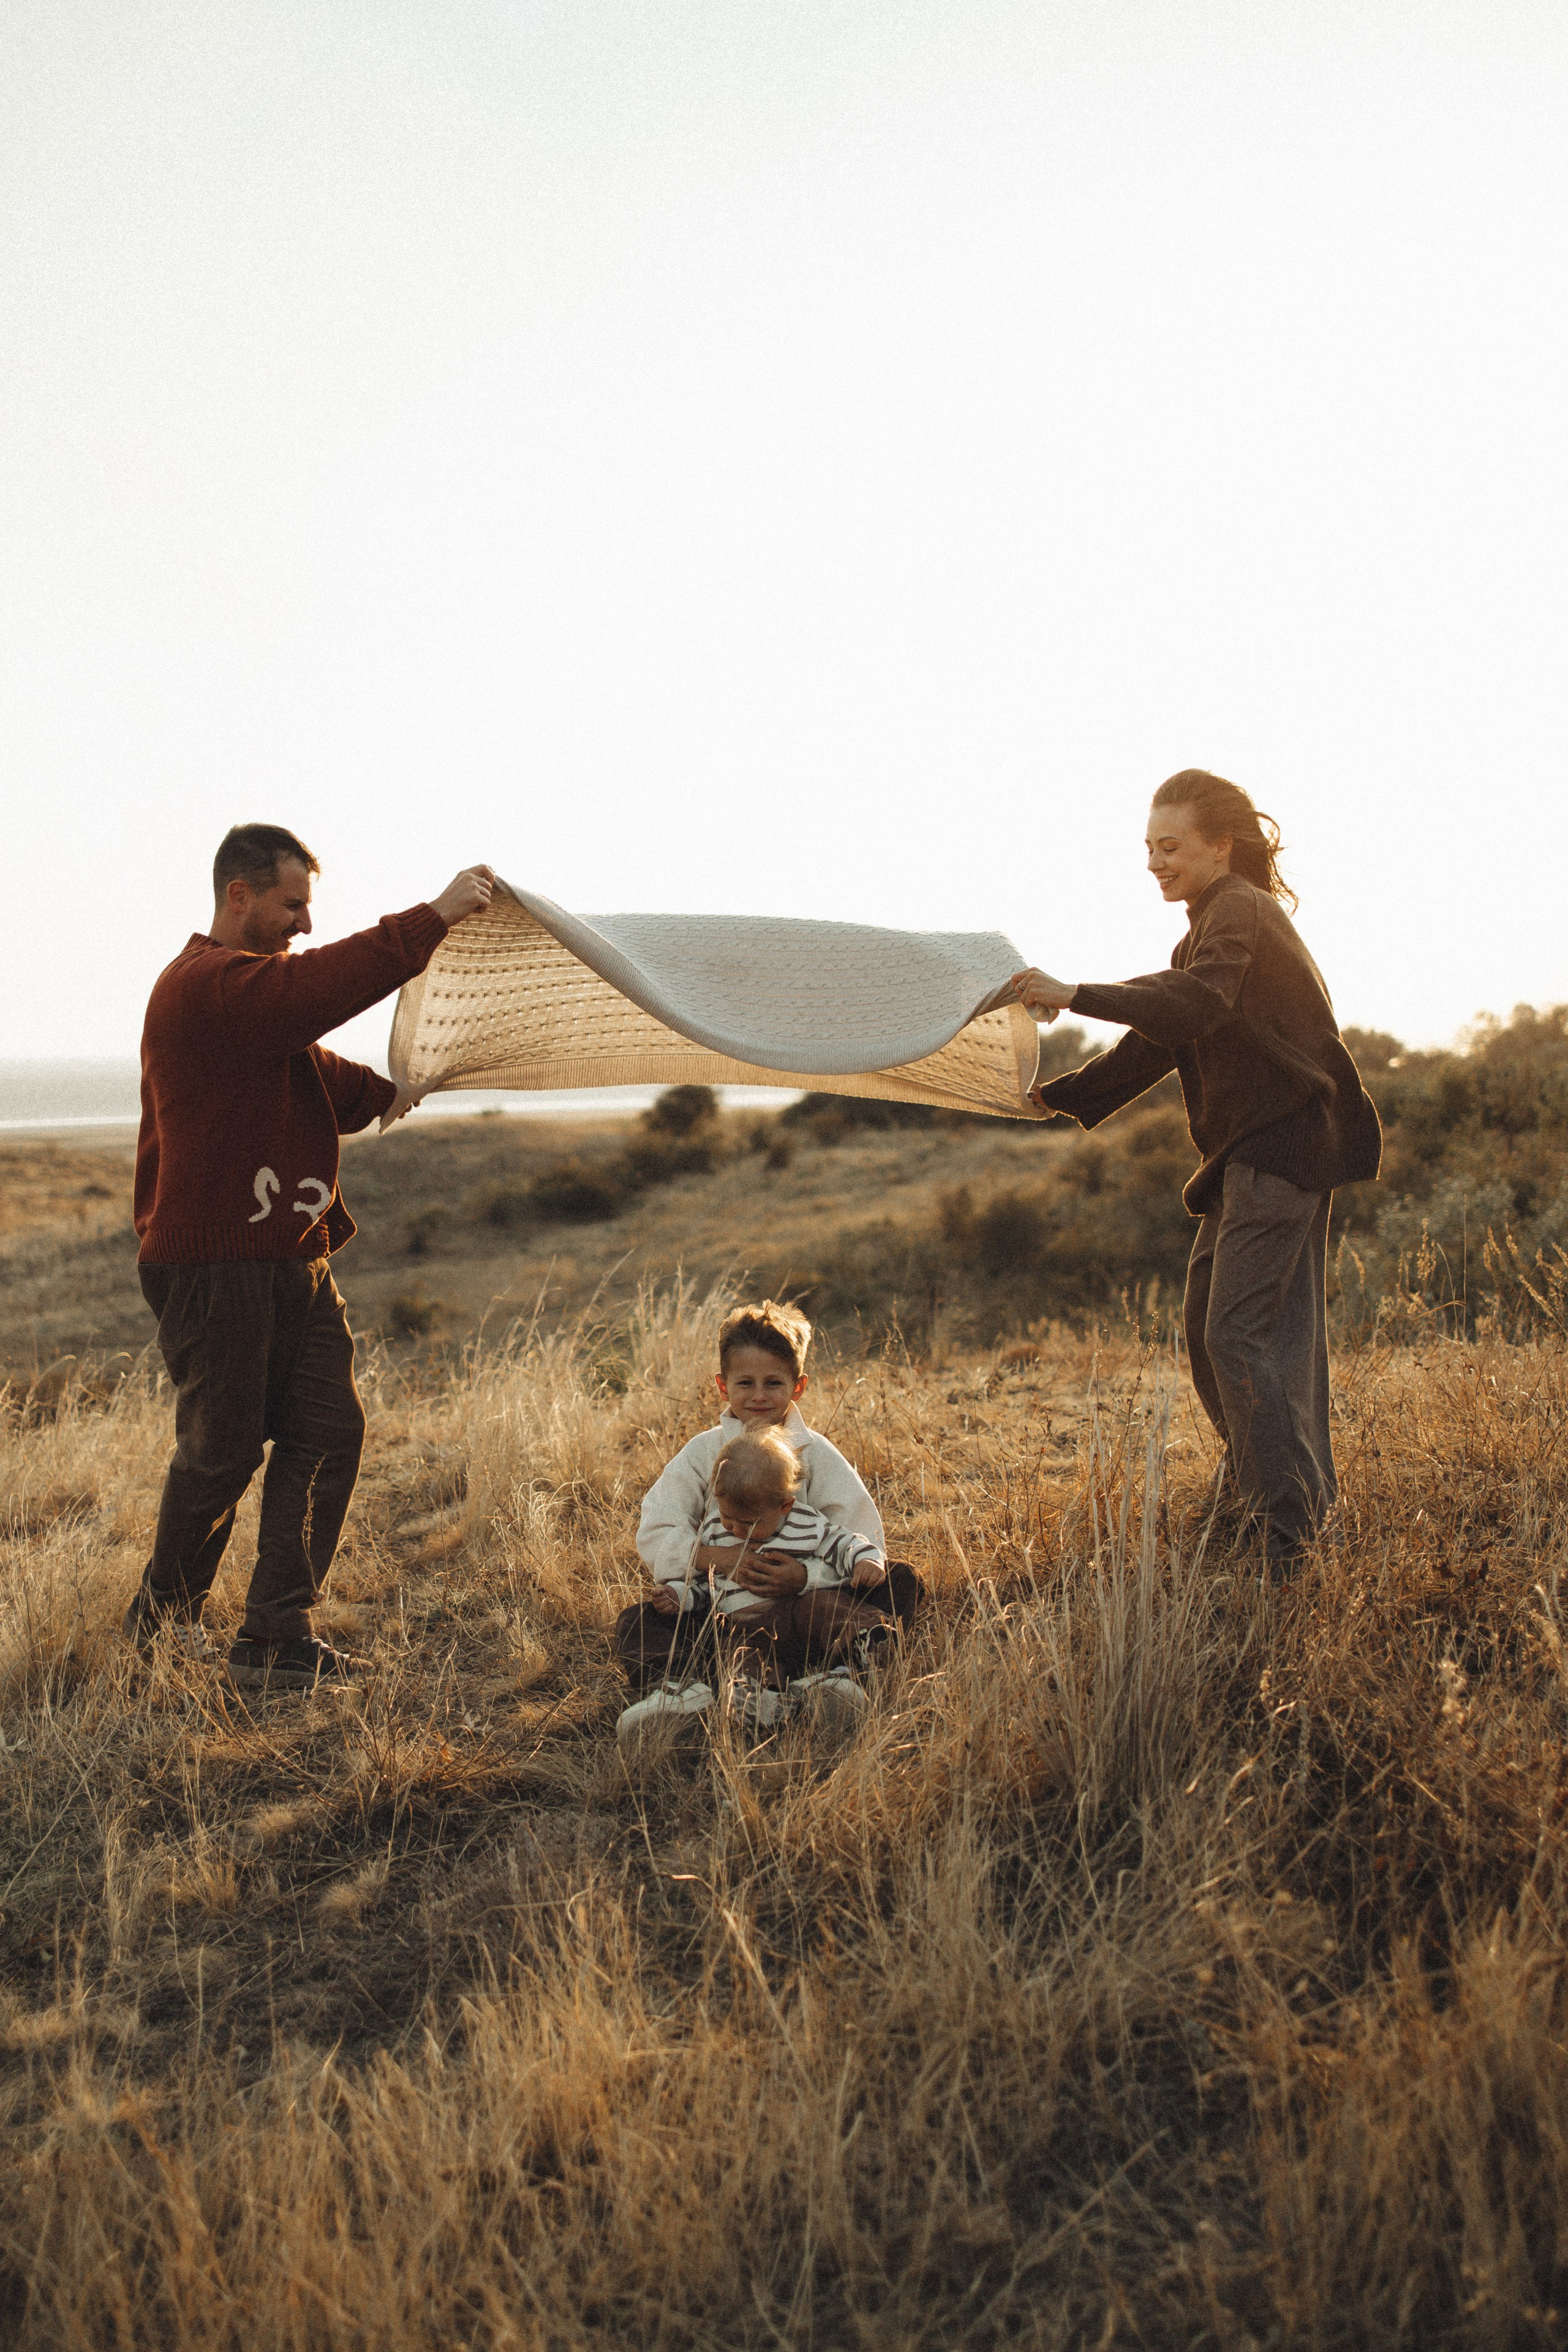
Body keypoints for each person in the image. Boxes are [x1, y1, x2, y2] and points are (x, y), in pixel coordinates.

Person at [124, 822, 496, 1687]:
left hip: (293, 1256)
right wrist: (432, 916)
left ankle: (275, 1639)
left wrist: (403, 1086)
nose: (304, 924)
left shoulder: (258, 1015)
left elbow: (318, 1071)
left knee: (329, 1432)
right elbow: (310, 997)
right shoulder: (201, 988)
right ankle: (161, 1625)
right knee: (222, 1453)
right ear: (239, 895)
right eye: (292, 905)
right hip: (215, 1264)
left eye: (309, 908)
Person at [1011, 770, 1381, 1568]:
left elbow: (1193, 1004)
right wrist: (1060, 1098)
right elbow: (1162, 1038)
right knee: (1217, 1337)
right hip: (1252, 1158)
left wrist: (1072, 992)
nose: (1154, 861)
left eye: (1170, 846)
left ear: (1223, 845)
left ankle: (1286, 1535)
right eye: (1148, 847)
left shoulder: (1240, 909)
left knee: (1238, 1337)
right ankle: (1270, 1494)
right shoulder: (1211, 925)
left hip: (1277, 1152)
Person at [616, 1297, 919, 1728]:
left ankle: (839, 1680)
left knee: (900, 1579)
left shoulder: (815, 1453)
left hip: (809, 1611)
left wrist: (804, 1577)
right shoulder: (704, 1452)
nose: (759, 1396)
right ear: (723, 1386)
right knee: (640, 1621)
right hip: (729, 1619)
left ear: (798, 1387)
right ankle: (683, 1695)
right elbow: (656, 1527)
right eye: (745, 1383)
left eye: (773, 1383)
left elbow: (860, 1535)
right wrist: (717, 1560)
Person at [617, 1428, 895, 1745]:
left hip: (798, 1609)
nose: (737, 1530)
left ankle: (847, 1672)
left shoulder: (807, 1520)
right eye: (728, 1518)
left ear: (785, 1506)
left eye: (749, 1524)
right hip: (737, 1626)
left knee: (872, 1591)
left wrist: (812, 1575)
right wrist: (681, 1593)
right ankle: (724, 1701)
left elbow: (848, 1541)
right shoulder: (713, 1521)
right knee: (649, 1624)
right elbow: (704, 1586)